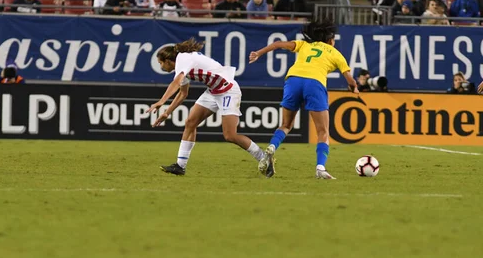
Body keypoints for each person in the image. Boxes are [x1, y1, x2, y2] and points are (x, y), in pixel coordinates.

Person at [248, 19, 358, 179]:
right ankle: (320, 168)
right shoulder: (335, 53)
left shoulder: (304, 45)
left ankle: (271, 147)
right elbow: (350, 79)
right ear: (330, 40)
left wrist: (258, 53)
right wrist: (354, 87)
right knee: (323, 131)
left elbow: (278, 44)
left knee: (286, 125)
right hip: (314, 83)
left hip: (292, 80)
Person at [147, 38, 266, 176]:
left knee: (230, 135)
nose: (162, 67)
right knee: (190, 122)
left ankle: (263, 157)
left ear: (168, 60)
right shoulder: (182, 67)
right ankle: (180, 166)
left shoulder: (183, 59)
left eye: (161, 63)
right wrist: (167, 112)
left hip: (228, 90)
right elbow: (183, 93)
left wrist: (161, 101)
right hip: (213, 91)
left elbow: (175, 83)